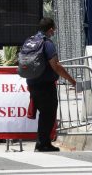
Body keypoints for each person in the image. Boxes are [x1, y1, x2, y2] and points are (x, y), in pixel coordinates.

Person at [26, 17, 76, 152]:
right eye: (53, 30)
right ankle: (42, 144)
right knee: (48, 114)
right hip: (45, 85)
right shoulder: (47, 44)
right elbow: (56, 66)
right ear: (50, 29)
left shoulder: (30, 41)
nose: (54, 32)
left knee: (44, 114)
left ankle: (43, 142)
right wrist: (72, 80)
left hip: (32, 84)